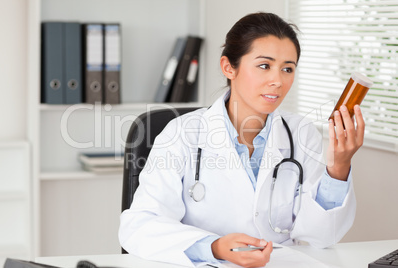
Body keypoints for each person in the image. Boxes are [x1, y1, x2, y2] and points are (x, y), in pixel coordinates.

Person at [119, 12, 363, 268]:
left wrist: (338, 168)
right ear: (228, 67)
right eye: (264, 65)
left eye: (287, 69)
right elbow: (139, 226)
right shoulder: (181, 133)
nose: (277, 81)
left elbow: (322, 237)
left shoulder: (301, 134)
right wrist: (214, 247)